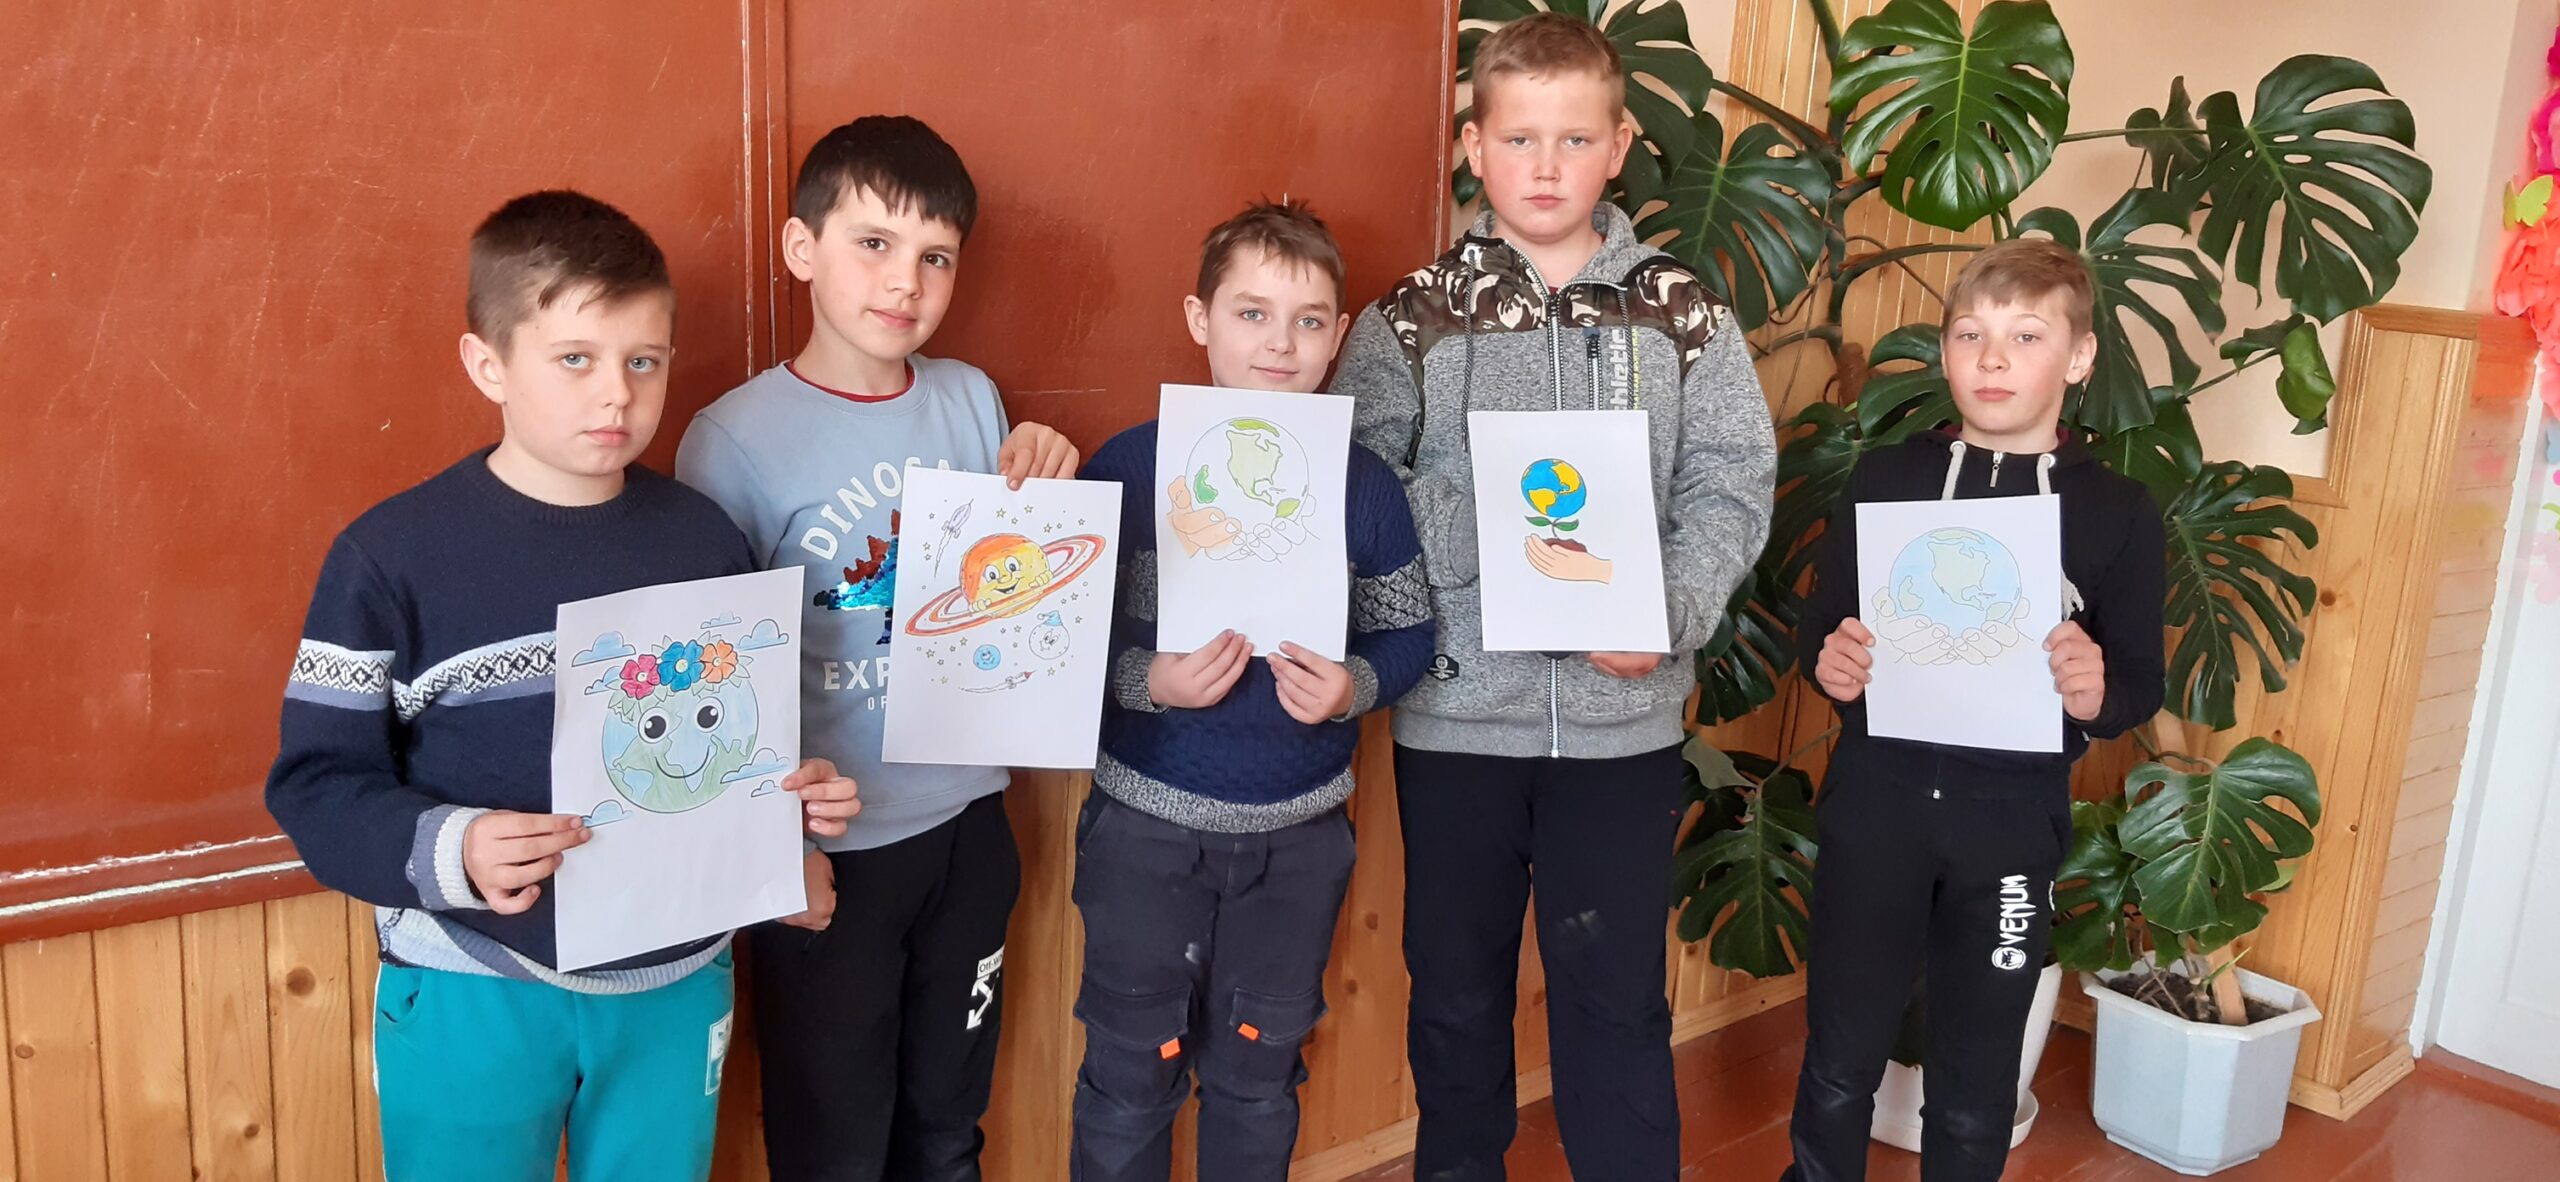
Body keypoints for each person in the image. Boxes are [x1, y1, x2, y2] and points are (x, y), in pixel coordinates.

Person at [266, 189, 859, 1182]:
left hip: (674, 988)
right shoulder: (391, 558)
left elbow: (724, 751)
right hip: (473, 986)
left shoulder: (705, 539)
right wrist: (455, 848)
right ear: (487, 364)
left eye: (644, 361)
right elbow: (316, 785)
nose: (616, 395)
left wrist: (786, 825)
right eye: (575, 359)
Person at [1332, 11, 1777, 1178]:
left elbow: (1731, 475)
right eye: (1519, 138)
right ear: (1473, 146)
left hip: (1621, 727)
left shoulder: (1682, 311)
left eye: (1574, 139)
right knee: (1453, 993)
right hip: (1454, 720)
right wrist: (1493, 513)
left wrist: (1665, 610)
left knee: (1616, 998)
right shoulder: (1408, 317)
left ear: (1618, 145)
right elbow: (1362, 491)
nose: (1545, 166)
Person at [674, 115, 1079, 1182]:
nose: (906, 281)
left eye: (936, 256)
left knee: (947, 1126)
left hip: (970, 829)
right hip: (833, 857)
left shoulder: (971, 398)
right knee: (835, 1146)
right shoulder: (731, 438)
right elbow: (720, 674)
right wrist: (777, 850)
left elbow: (1007, 585)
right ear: (801, 249)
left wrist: (1041, 467)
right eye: (874, 244)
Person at [1783, 236, 2167, 1182]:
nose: (1992, 360)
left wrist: (2098, 691)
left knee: (1977, 1078)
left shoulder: (2120, 511)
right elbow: (1824, 630)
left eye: (2026, 336)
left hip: (2011, 827)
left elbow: (2138, 683)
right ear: (1945, 350)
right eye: (1969, 335)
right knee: (1839, 1059)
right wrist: (1832, 663)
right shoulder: (1885, 479)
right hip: (1875, 808)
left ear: (2078, 358)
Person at [1068, 199, 1433, 1181]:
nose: (1280, 343)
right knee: (1128, 1076)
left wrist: (1354, 687)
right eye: (1252, 313)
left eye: (1308, 320)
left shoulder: (1362, 486)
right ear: (1200, 318)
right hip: (1145, 833)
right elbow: (1057, 651)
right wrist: (1150, 679)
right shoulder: (1130, 467)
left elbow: (1408, 632)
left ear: (1338, 334)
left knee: (1259, 1078)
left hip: (1298, 842)